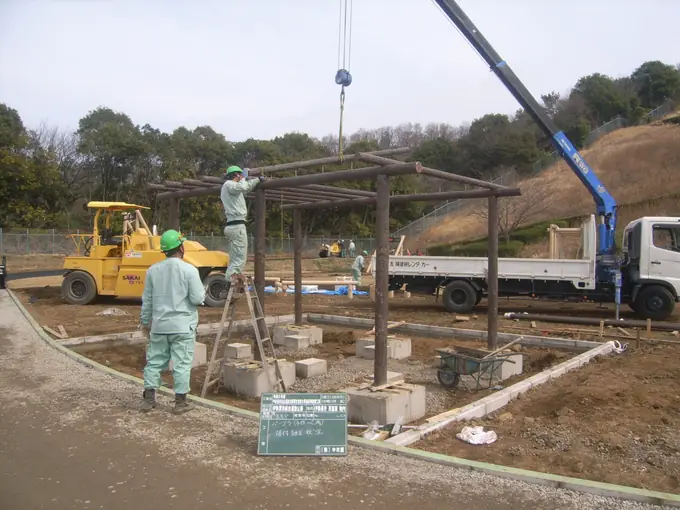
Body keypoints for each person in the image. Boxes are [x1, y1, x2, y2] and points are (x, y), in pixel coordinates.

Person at [139, 230, 206, 414]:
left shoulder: (153, 271)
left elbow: (148, 301)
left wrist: (145, 323)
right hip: (183, 326)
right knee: (182, 363)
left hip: (160, 326)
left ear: (165, 251)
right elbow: (197, 297)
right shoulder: (190, 270)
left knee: (154, 362)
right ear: (181, 248)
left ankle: (149, 398)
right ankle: (180, 403)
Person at [220, 165, 265, 286]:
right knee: (239, 259)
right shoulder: (229, 184)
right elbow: (243, 186)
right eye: (240, 175)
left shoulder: (231, 188)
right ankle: (229, 283)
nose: (242, 177)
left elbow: (244, 188)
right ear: (237, 175)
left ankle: (230, 282)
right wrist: (251, 178)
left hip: (233, 225)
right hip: (236, 226)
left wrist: (255, 179)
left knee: (235, 258)